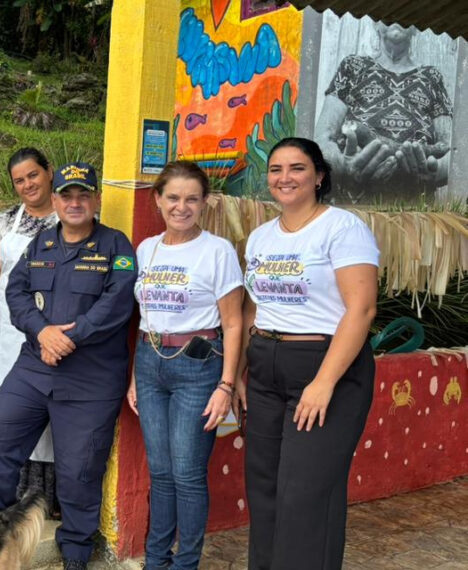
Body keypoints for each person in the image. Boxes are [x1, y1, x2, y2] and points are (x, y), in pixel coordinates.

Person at [0, 162, 137, 570]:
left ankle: (76, 550)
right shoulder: (42, 243)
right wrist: (42, 332)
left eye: (84, 194)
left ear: (97, 199)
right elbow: (16, 292)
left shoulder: (116, 246)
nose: (75, 202)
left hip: (90, 377)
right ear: (56, 200)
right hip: (35, 367)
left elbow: (116, 304)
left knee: (79, 468)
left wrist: (67, 338)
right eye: (67, 195)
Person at [241, 137, 378, 569]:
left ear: (319, 176)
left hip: (324, 365)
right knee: (264, 487)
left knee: (306, 493)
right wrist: (243, 371)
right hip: (265, 366)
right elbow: (253, 307)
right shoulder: (261, 237)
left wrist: (324, 382)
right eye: (276, 169)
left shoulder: (342, 228)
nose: (285, 178)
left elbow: (362, 308)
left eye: (297, 168)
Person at [125, 161, 243, 570]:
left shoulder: (217, 251)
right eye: (173, 197)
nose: (182, 207)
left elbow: (233, 322)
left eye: (192, 199)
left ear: (204, 202)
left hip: (198, 367)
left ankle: (185, 563)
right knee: (160, 472)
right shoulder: (147, 248)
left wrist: (226, 385)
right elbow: (143, 317)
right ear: (157, 200)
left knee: (187, 474)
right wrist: (135, 376)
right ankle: (156, 560)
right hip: (150, 363)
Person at [0, 148, 59, 515]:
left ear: (49, 172)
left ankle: (48, 496)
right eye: (19, 180)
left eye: (33, 175)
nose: (28, 185)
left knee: (50, 415)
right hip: (9, 332)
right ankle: (10, 494)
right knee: (9, 412)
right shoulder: (4, 221)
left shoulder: (71, 216)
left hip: (55, 334)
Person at [315, 22, 452, 201]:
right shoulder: (353, 66)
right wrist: (343, 168)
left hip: (415, 202)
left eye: (405, 12)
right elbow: (322, 138)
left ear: (415, 28)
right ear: (376, 24)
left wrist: (435, 172)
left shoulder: (431, 77)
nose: (397, 18)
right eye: (390, 12)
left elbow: (451, 148)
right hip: (353, 199)